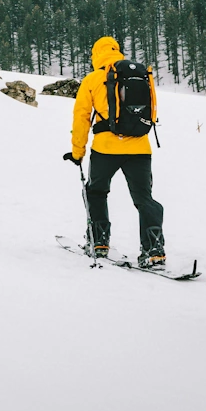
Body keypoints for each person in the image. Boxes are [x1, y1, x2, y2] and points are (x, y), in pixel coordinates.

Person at [65, 37, 163, 268]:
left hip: (105, 149)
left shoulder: (92, 79)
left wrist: (77, 152)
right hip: (140, 147)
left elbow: (80, 119)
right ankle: (154, 249)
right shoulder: (140, 75)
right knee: (144, 199)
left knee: (96, 192)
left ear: (96, 54)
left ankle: (98, 242)